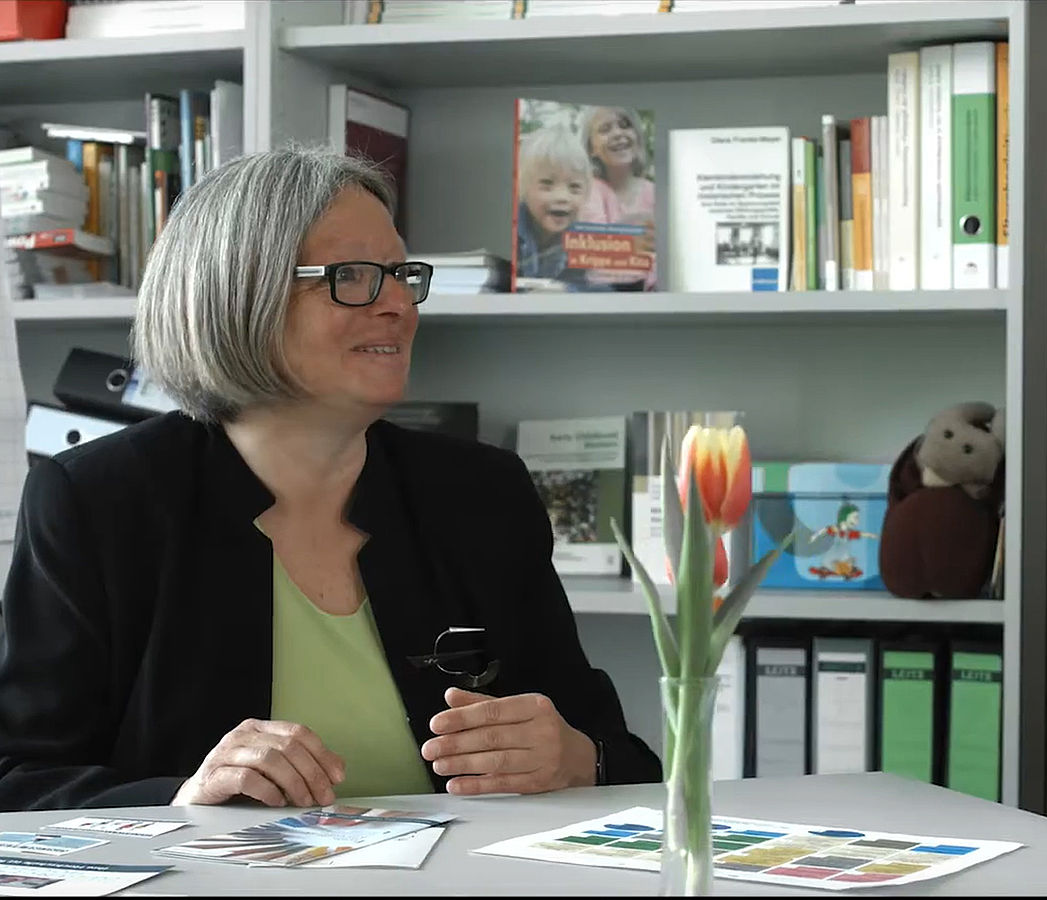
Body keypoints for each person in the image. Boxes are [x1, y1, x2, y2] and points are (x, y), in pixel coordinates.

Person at [0, 147, 662, 811]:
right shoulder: (96, 501)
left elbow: (624, 757)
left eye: (401, 274)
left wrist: (579, 759)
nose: (399, 304)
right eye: (354, 276)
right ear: (240, 290)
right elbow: (20, 780)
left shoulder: (482, 493)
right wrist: (182, 799)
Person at [575, 105, 657, 291]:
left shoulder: (654, 192)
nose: (618, 133)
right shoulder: (590, 190)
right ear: (591, 149)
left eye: (625, 125)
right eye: (605, 129)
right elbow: (598, 254)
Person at [514, 126, 595, 291]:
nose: (562, 197)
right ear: (523, 188)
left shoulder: (581, 242)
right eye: (547, 185)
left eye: (574, 187)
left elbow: (587, 287)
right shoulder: (511, 231)